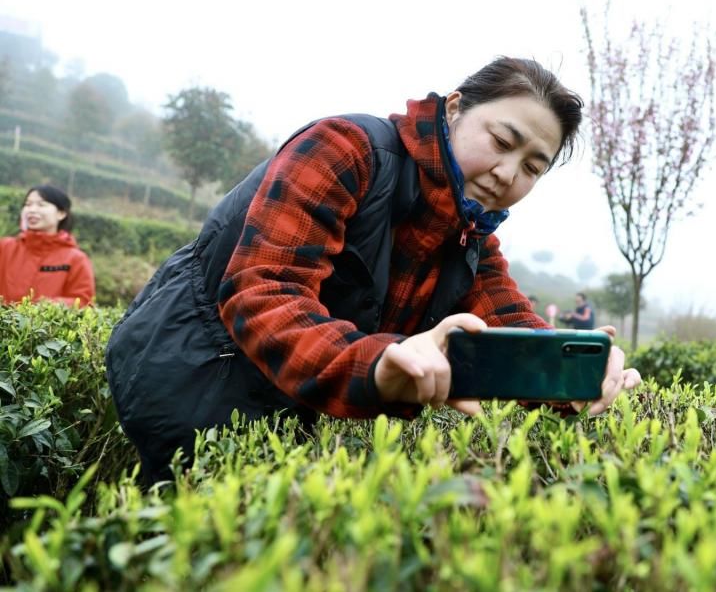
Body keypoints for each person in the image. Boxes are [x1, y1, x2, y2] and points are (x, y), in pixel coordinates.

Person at [105, 57, 642, 484]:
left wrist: (573, 376)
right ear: (454, 108)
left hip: (290, 403)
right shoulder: (345, 150)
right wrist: (378, 364)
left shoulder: (469, 234)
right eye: (502, 142)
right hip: (194, 372)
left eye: (532, 167)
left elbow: (513, 323)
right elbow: (264, 292)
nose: (507, 174)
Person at [0, 185, 95, 307]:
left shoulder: (75, 259)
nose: (32, 210)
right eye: (28, 204)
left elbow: (83, 301)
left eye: (41, 205)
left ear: (61, 213)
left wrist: (43, 306)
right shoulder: (5, 247)